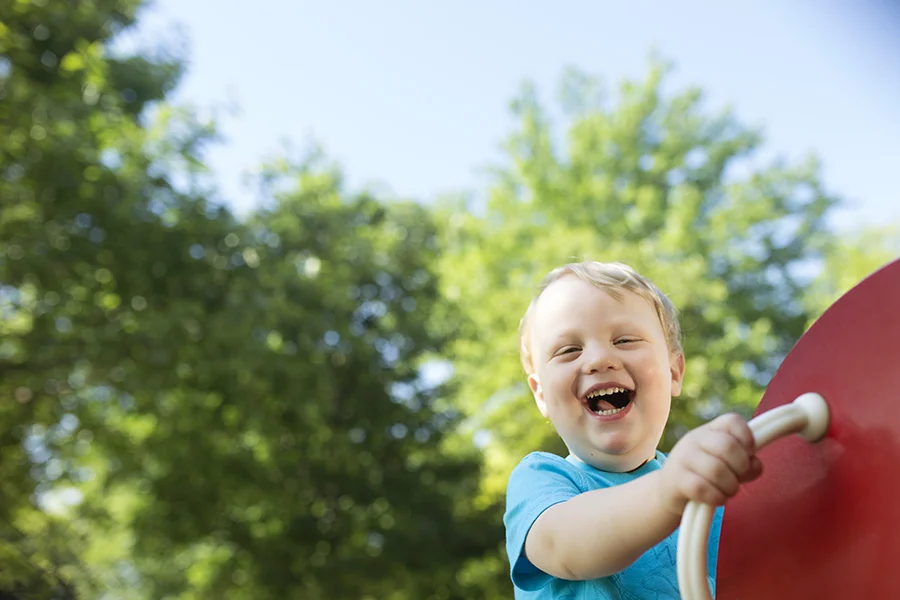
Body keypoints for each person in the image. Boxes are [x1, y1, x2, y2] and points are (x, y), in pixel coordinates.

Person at [504, 261, 763, 599]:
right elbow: (562, 545)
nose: (598, 359)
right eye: (569, 350)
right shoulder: (542, 480)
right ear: (541, 394)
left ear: (673, 371)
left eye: (624, 340)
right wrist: (667, 490)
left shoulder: (713, 484)